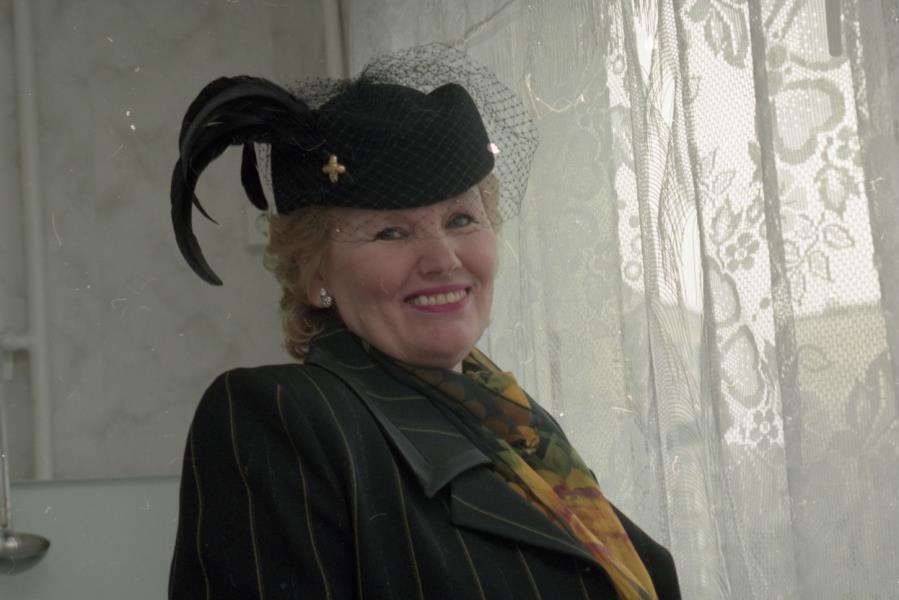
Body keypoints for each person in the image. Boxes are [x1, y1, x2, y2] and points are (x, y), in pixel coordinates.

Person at [167, 44, 680, 600]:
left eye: (461, 219)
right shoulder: (282, 418)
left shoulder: (517, 427)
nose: (442, 259)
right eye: (390, 232)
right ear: (313, 272)